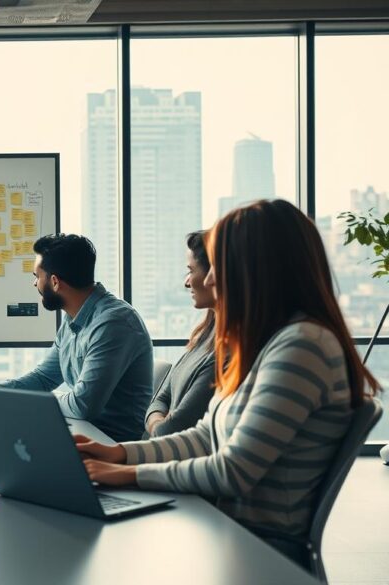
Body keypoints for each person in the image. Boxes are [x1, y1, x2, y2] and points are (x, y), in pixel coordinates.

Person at [76, 200, 380, 567]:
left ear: (255, 270)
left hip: (257, 551)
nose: (208, 279)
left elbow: (233, 471)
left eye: (218, 264)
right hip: (222, 529)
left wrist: (127, 475)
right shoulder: (263, 342)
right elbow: (205, 437)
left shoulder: (303, 346)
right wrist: (118, 454)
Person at [0, 233, 153, 442]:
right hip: (78, 432)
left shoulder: (113, 324)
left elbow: (82, 406)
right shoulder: (72, 318)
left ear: (55, 282)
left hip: (109, 445)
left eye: (36, 276)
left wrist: (32, 404)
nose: (34, 284)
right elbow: (44, 378)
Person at [144, 230, 217, 438]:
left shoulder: (224, 353)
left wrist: (157, 426)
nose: (186, 282)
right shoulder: (204, 334)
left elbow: (171, 430)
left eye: (191, 270)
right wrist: (159, 423)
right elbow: (159, 398)